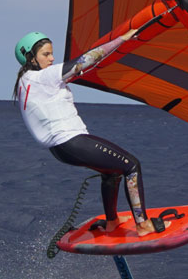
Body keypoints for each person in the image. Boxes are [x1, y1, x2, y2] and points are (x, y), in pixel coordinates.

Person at [13, 31, 167, 236]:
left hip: (60, 149)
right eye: (46, 54)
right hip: (71, 140)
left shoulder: (25, 81)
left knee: (111, 171)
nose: (51, 59)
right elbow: (88, 59)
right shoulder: (44, 77)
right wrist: (123, 38)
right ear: (30, 58)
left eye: (52, 53)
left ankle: (112, 222)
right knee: (131, 166)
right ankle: (143, 225)